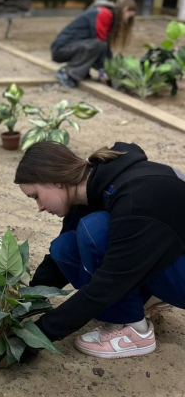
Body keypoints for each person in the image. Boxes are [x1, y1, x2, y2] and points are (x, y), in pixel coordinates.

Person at [12, 140, 185, 362]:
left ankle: (136, 333)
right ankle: (142, 300)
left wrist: (34, 338)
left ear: (56, 181)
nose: (40, 208)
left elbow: (106, 284)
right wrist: (22, 304)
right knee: (64, 246)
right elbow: (58, 262)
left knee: (95, 231)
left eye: (35, 196)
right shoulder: (95, 188)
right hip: (168, 253)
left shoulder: (133, 198)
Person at [51, 0, 137, 88]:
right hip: (61, 49)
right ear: (125, 9)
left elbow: (105, 48)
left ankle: (81, 71)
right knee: (97, 45)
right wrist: (101, 72)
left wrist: (109, 68)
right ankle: (67, 73)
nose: (129, 18)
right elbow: (100, 43)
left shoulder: (109, 16)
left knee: (97, 45)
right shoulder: (105, 14)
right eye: (129, 14)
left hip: (72, 47)